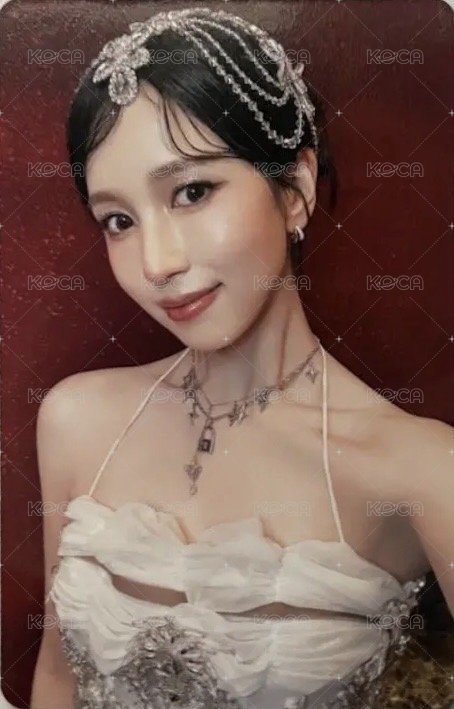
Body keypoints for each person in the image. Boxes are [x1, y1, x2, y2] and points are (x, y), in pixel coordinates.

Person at [30, 7, 453, 708]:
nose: (157, 263)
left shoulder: (420, 471)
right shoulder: (75, 420)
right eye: (119, 220)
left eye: (192, 191)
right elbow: (56, 676)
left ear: (296, 188)